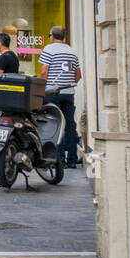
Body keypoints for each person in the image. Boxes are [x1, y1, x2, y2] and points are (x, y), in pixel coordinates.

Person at [39, 25, 82, 168]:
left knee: (57, 125)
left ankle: (59, 159)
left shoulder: (49, 49)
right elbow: (78, 75)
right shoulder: (71, 51)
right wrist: (68, 84)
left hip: (53, 93)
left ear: (52, 36)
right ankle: (72, 159)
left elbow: (44, 71)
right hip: (68, 93)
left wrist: (43, 88)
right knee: (70, 125)